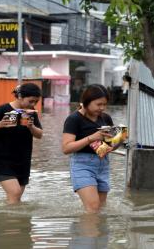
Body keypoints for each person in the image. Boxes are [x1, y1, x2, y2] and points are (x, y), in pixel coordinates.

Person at [0, 83, 43, 204]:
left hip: (23, 161)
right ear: (20, 96)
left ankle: (12, 221)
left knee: (16, 197)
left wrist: (31, 127)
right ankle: (11, 220)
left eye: (36, 102)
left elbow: (39, 135)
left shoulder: (31, 113)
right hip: (2, 160)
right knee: (14, 193)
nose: (33, 105)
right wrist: (0, 124)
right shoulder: (2, 110)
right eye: (30, 101)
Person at [62, 84, 120, 213]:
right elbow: (66, 148)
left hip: (103, 164)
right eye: (98, 104)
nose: (102, 108)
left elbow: (107, 149)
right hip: (82, 165)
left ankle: (95, 232)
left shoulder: (105, 118)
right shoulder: (74, 119)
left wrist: (120, 139)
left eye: (104, 104)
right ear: (86, 102)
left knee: (101, 208)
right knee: (93, 207)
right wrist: (91, 138)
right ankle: (88, 233)